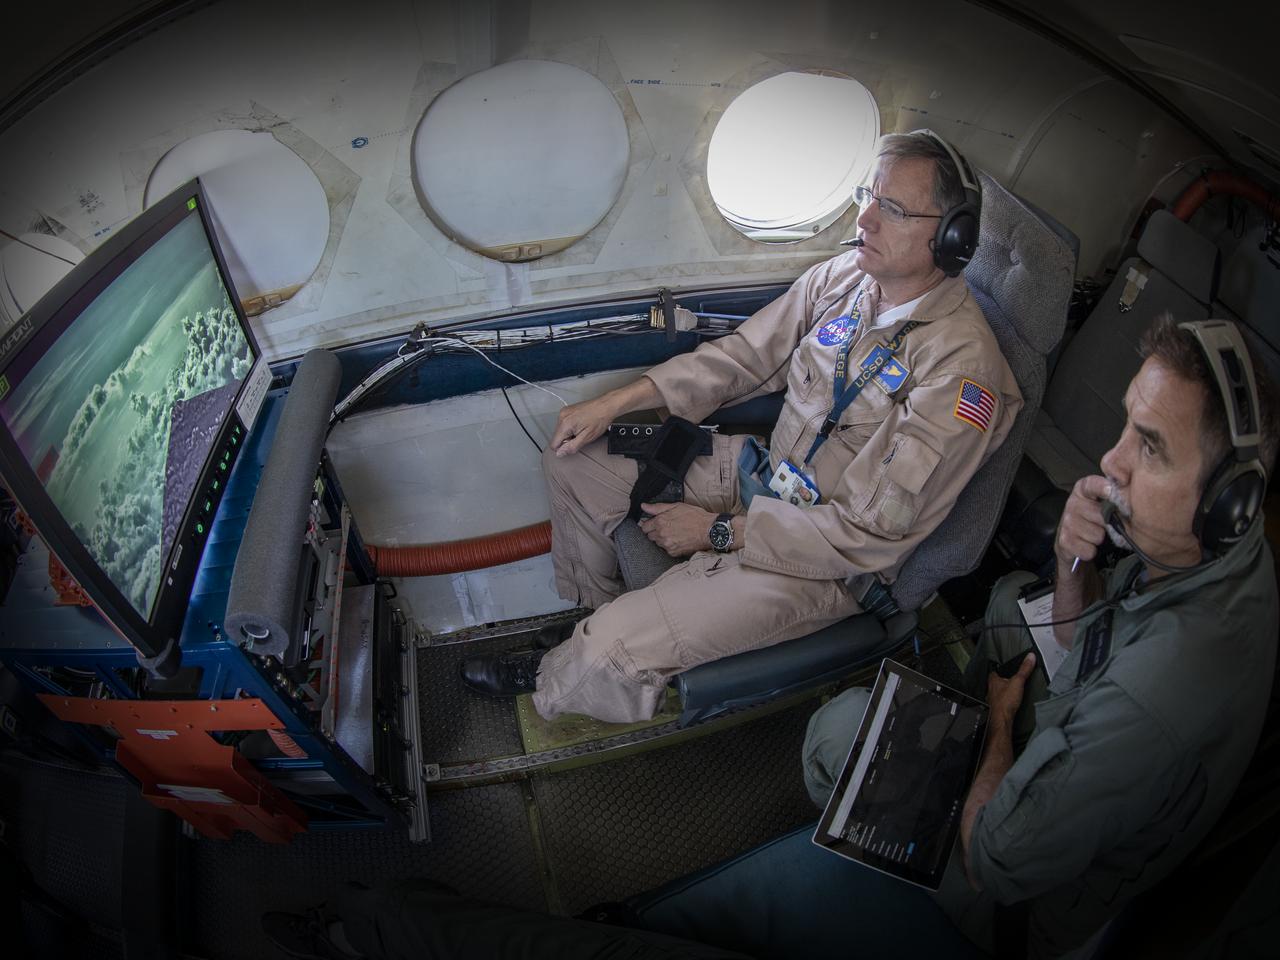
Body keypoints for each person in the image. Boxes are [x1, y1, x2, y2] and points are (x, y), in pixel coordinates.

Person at [462, 130, 1024, 723]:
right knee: (574, 460)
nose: (865, 219)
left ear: (951, 238)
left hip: (822, 559)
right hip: (767, 475)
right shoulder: (848, 280)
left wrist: (720, 532)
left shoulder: (961, 374)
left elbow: (864, 536)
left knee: (612, 650)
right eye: (868, 195)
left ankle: (566, 672)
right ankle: (595, 618)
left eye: (894, 208)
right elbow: (746, 358)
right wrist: (620, 402)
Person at [801, 314, 1279, 958]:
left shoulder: (1154, 694)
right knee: (1010, 599)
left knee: (836, 731)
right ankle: (966, 747)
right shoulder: (1221, 551)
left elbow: (992, 860)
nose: (1111, 462)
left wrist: (1000, 725)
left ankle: (915, 857)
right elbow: (1088, 634)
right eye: (1127, 425)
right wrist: (1070, 558)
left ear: (1227, 501)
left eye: (1151, 448)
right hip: (1096, 735)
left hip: (1023, 906)